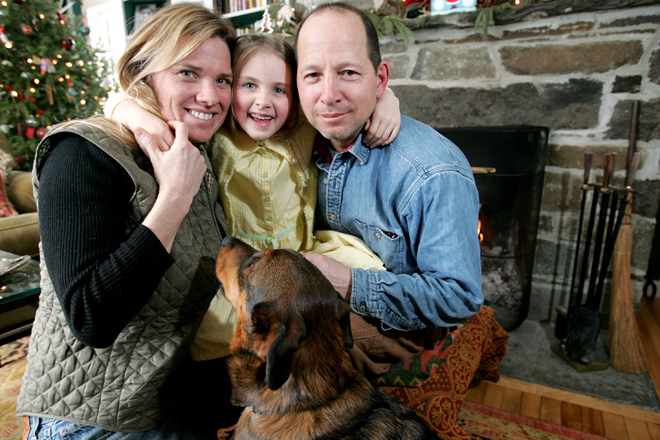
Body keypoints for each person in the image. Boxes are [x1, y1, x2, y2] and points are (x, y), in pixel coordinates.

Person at [108, 33, 401, 364]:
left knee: (375, 269)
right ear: (229, 90)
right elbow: (116, 102)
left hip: (302, 254)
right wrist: (138, 116)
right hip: (249, 275)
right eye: (248, 86)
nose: (264, 101)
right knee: (210, 337)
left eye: (279, 90)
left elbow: (343, 96)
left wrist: (387, 98)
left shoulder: (301, 130)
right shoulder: (218, 138)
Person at [16, 4, 234, 439]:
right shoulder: (83, 154)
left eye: (223, 80)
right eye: (188, 73)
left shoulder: (196, 149)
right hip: (94, 419)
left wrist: (385, 102)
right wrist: (173, 198)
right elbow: (91, 315)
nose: (211, 96)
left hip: (170, 404)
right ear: (142, 73)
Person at [295, 2, 484, 378]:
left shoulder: (432, 172)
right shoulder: (296, 140)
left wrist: (347, 281)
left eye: (348, 72)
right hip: (321, 300)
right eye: (312, 75)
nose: (328, 95)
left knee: (299, 362)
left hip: (402, 324)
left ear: (380, 80)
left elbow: (460, 296)